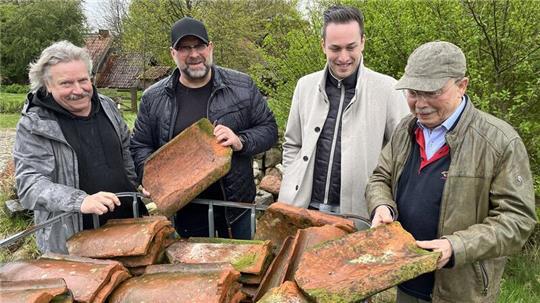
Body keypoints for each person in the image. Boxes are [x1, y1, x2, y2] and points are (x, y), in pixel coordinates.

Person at [366, 41, 537, 302]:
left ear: (462, 85)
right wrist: (382, 207)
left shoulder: (499, 142)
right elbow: (381, 177)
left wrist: (455, 247)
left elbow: (518, 220)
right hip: (405, 282)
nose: (419, 104)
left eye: (432, 91)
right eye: (412, 92)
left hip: (461, 292)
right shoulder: (405, 129)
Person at [130, 17, 278, 239]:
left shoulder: (242, 86)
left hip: (236, 209)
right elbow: (140, 144)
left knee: (243, 270)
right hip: (185, 212)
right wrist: (149, 175)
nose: (194, 54)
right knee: (195, 271)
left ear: (210, 48)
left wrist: (241, 141)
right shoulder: (154, 97)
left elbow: (269, 129)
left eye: (199, 46)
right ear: (173, 53)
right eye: (184, 48)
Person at [13, 41, 147, 253]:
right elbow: (29, 186)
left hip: (126, 226)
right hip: (73, 237)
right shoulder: (35, 124)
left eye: (83, 80)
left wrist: (140, 181)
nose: (78, 90)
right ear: (47, 85)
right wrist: (80, 200)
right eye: (66, 84)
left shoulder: (107, 106)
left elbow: (126, 153)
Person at [278, 5, 409, 219]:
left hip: (360, 214)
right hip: (304, 210)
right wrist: (292, 180)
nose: (343, 57)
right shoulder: (304, 86)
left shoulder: (388, 89)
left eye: (351, 47)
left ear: (363, 43)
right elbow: (293, 143)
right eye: (335, 48)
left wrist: (384, 202)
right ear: (323, 46)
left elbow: (402, 155)